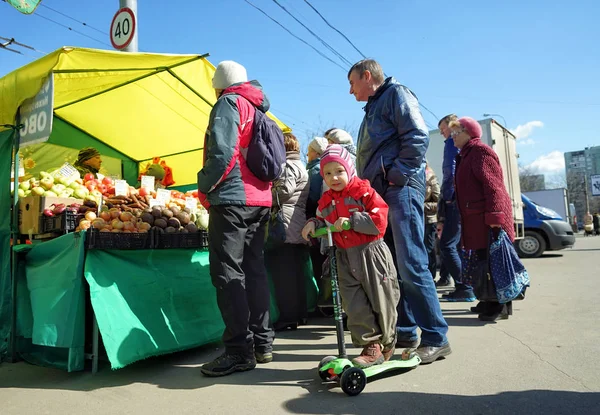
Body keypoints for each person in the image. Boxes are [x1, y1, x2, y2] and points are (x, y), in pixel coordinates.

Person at [347, 58, 450, 364]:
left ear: (368, 77)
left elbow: (417, 136)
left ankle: (435, 336)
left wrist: (398, 175)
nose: (350, 91)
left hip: (399, 189)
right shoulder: (375, 106)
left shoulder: (396, 94)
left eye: (352, 83)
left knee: (411, 263)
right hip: (384, 192)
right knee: (393, 267)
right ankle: (405, 331)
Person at [198, 60, 274, 377]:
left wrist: (204, 186)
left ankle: (238, 351)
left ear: (219, 84)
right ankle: (262, 343)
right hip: (261, 200)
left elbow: (222, 152)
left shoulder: (228, 102)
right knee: (254, 270)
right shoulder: (258, 108)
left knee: (228, 273)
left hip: (233, 198)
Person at [301, 145, 400, 367]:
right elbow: (321, 219)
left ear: (349, 169)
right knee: (353, 303)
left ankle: (388, 340)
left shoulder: (363, 192)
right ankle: (370, 345)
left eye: (339, 171)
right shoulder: (326, 200)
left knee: (382, 299)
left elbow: (379, 221)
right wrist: (312, 224)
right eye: (327, 173)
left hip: (371, 253)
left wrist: (353, 221)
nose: (333, 177)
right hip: (344, 256)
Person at [450, 117, 516, 321]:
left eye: (455, 133)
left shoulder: (480, 152)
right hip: (476, 221)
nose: (452, 137)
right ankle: (488, 301)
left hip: (488, 221)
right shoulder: (466, 154)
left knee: (493, 263)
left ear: (468, 133)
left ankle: (499, 307)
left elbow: (494, 187)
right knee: (482, 262)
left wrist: (496, 216)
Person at [265, 133, 310, 331]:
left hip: (285, 223)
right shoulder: (300, 165)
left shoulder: (287, 166)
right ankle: (299, 314)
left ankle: (288, 317)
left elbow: (284, 191)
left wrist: (266, 194)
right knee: (296, 274)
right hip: (297, 223)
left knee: (284, 275)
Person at [437, 115, 477, 302]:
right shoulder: (454, 144)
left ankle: (464, 286)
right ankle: (465, 285)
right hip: (456, 198)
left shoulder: (451, 144)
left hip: (453, 199)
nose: (443, 133)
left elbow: (451, 170)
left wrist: (449, 196)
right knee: (456, 245)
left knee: (446, 245)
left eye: (443, 128)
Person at [305, 136, 329, 289]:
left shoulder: (315, 170)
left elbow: (312, 197)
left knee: (318, 258)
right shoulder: (326, 167)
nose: (308, 155)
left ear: (314, 152)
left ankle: (323, 295)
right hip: (325, 216)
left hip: (316, 217)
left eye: (309, 152)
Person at [424, 163, 440, 280]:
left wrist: (421, 206)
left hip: (429, 220)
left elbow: (438, 202)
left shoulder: (430, 177)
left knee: (429, 249)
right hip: (416, 221)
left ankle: (431, 278)